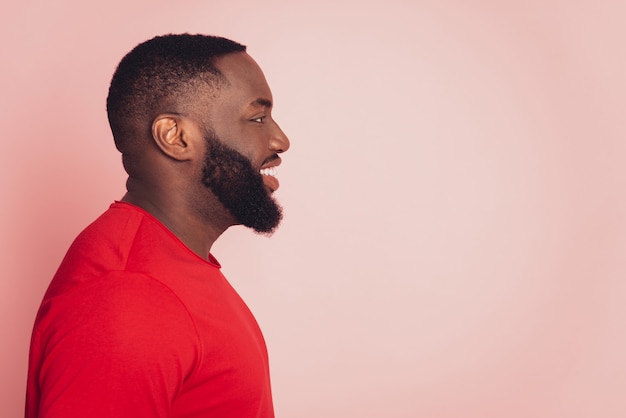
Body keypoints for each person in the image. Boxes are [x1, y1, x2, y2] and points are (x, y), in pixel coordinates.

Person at [25, 33, 290, 418]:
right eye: (257, 118)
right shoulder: (127, 297)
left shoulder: (169, 268)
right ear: (176, 137)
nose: (280, 139)